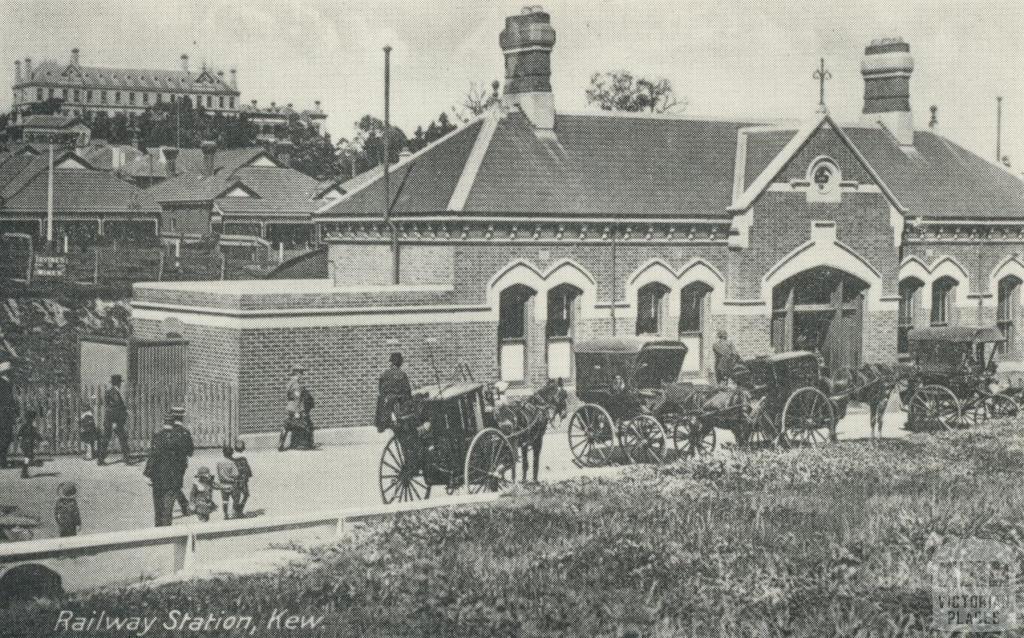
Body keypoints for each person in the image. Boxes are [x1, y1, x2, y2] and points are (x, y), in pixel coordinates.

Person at [143, 418, 190, 527]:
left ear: (163, 423)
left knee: (158, 507)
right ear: (173, 424)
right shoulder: (180, 437)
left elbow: (153, 456)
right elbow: (185, 457)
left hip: (158, 477)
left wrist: (147, 473)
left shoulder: (158, 436)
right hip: (174, 478)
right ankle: (167, 531)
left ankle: (158, 531)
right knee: (168, 510)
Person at [98, 374, 132, 465]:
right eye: (120, 382)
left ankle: (100, 460)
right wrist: (115, 422)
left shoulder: (110, 391)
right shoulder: (114, 392)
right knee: (122, 439)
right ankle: (127, 459)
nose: (121, 384)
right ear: (118, 383)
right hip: (114, 421)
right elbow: (114, 407)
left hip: (110, 420)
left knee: (107, 439)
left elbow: (114, 406)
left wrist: (125, 409)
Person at [375, 352, 413, 432]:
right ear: (400, 362)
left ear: (391, 362)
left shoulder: (384, 374)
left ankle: (383, 424)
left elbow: (381, 390)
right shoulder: (402, 374)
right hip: (400, 404)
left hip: (388, 405)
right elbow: (407, 391)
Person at [168, 407, 194, 517]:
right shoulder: (185, 432)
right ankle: (184, 506)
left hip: (169, 463)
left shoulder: (168, 432)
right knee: (175, 485)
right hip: (182, 464)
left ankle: (180, 507)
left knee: (173, 486)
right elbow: (190, 452)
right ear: (182, 418)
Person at [278, 365, 307, 451]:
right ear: (297, 373)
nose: (302, 375)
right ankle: (299, 444)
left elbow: (288, 396)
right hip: (294, 408)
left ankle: (281, 444)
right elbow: (297, 399)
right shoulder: (296, 386)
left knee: (285, 426)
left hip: (289, 407)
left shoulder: (289, 383)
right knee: (302, 425)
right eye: (301, 373)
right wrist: (298, 412)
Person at [0, 356, 17, 469]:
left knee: (6, 436)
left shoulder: (7, 383)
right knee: (5, 436)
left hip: (6, 413)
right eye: (10, 372)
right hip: (3, 413)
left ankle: (2, 459)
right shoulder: (3, 383)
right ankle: (2, 461)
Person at [215, 445, 240, 520]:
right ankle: (234, 512)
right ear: (232, 454)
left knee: (225, 500)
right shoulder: (232, 463)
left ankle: (225, 514)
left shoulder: (219, 463)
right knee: (236, 498)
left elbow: (219, 473)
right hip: (232, 484)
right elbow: (236, 474)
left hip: (222, 484)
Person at [231, 440, 252, 517]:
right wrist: (248, 476)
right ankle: (239, 510)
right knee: (246, 494)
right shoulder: (243, 458)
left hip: (234, 480)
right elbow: (247, 470)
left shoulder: (232, 458)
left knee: (236, 496)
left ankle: (234, 510)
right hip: (242, 480)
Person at [18, 409, 41, 479]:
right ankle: (24, 472)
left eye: (32, 418)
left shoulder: (29, 427)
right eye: (31, 418)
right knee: (27, 458)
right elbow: (19, 435)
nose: (31, 420)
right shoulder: (27, 427)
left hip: (28, 445)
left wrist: (40, 439)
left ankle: (24, 471)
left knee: (28, 458)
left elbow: (36, 435)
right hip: (26, 445)